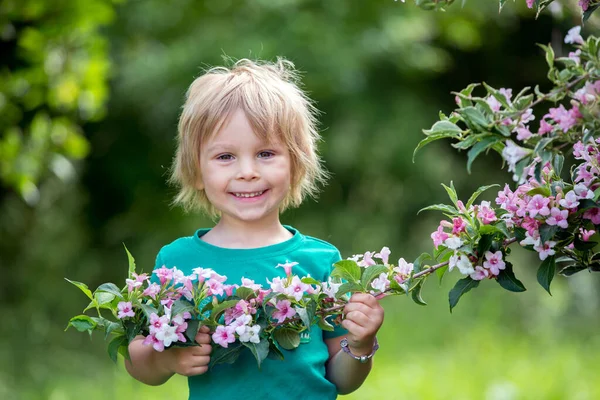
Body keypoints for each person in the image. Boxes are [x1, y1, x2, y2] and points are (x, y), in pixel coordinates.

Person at [124, 58, 385, 399]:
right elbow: (138, 363)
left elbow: (342, 381)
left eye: (265, 153)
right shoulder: (177, 262)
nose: (247, 171)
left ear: (295, 163)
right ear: (197, 170)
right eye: (225, 157)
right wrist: (167, 359)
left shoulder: (321, 261)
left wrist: (360, 344)